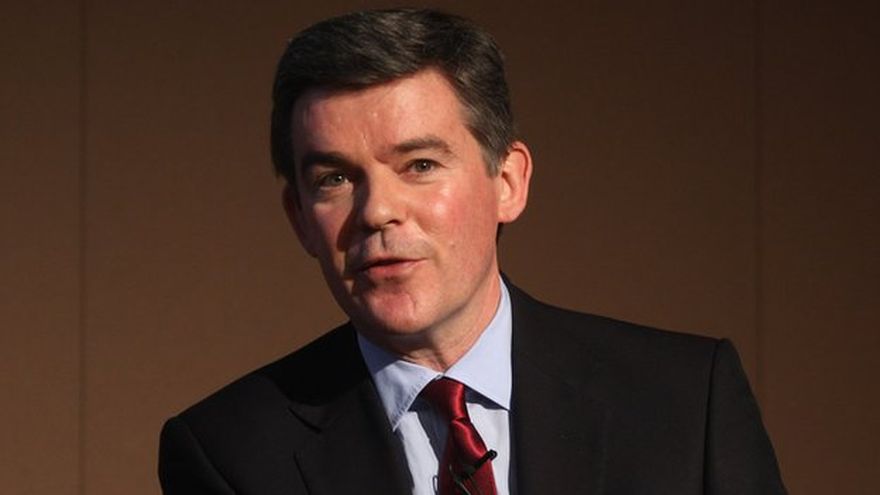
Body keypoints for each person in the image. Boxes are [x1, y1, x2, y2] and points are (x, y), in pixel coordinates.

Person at [158, 8, 786, 494]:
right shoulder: (229, 454)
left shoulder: (685, 401)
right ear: (299, 218)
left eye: (420, 164)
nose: (377, 211)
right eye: (335, 179)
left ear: (507, 182)